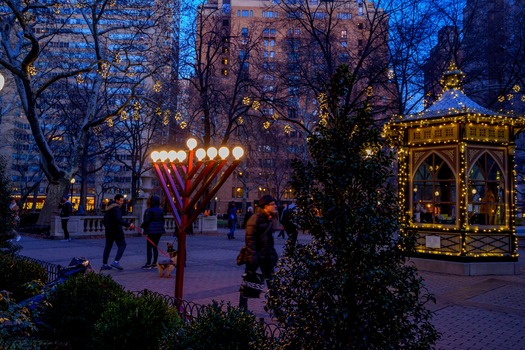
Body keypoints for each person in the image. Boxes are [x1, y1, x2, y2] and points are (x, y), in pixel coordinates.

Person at [239, 195, 279, 311]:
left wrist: (273, 254)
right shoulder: (255, 219)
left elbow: (269, 241)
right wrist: (252, 257)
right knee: (247, 283)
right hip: (255, 257)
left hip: (266, 257)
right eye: (272, 204)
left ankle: (276, 310)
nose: (275, 206)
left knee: (272, 284)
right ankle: (242, 309)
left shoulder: (269, 219)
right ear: (265, 206)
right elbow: (250, 240)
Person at [101, 194, 135, 270]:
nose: (122, 202)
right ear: (116, 200)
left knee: (108, 247)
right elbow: (118, 220)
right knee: (122, 245)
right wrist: (129, 224)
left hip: (108, 230)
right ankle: (116, 261)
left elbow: (104, 220)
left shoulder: (109, 208)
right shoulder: (116, 208)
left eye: (122, 201)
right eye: (121, 201)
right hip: (116, 230)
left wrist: (107, 227)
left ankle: (104, 264)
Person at [140, 195, 166, 269]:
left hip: (151, 231)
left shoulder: (149, 210)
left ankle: (148, 263)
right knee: (155, 246)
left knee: (149, 247)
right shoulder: (161, 210)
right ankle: (154, 263)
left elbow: (146, 221)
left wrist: (143, 227)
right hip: (159, 230)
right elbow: (162, 220)